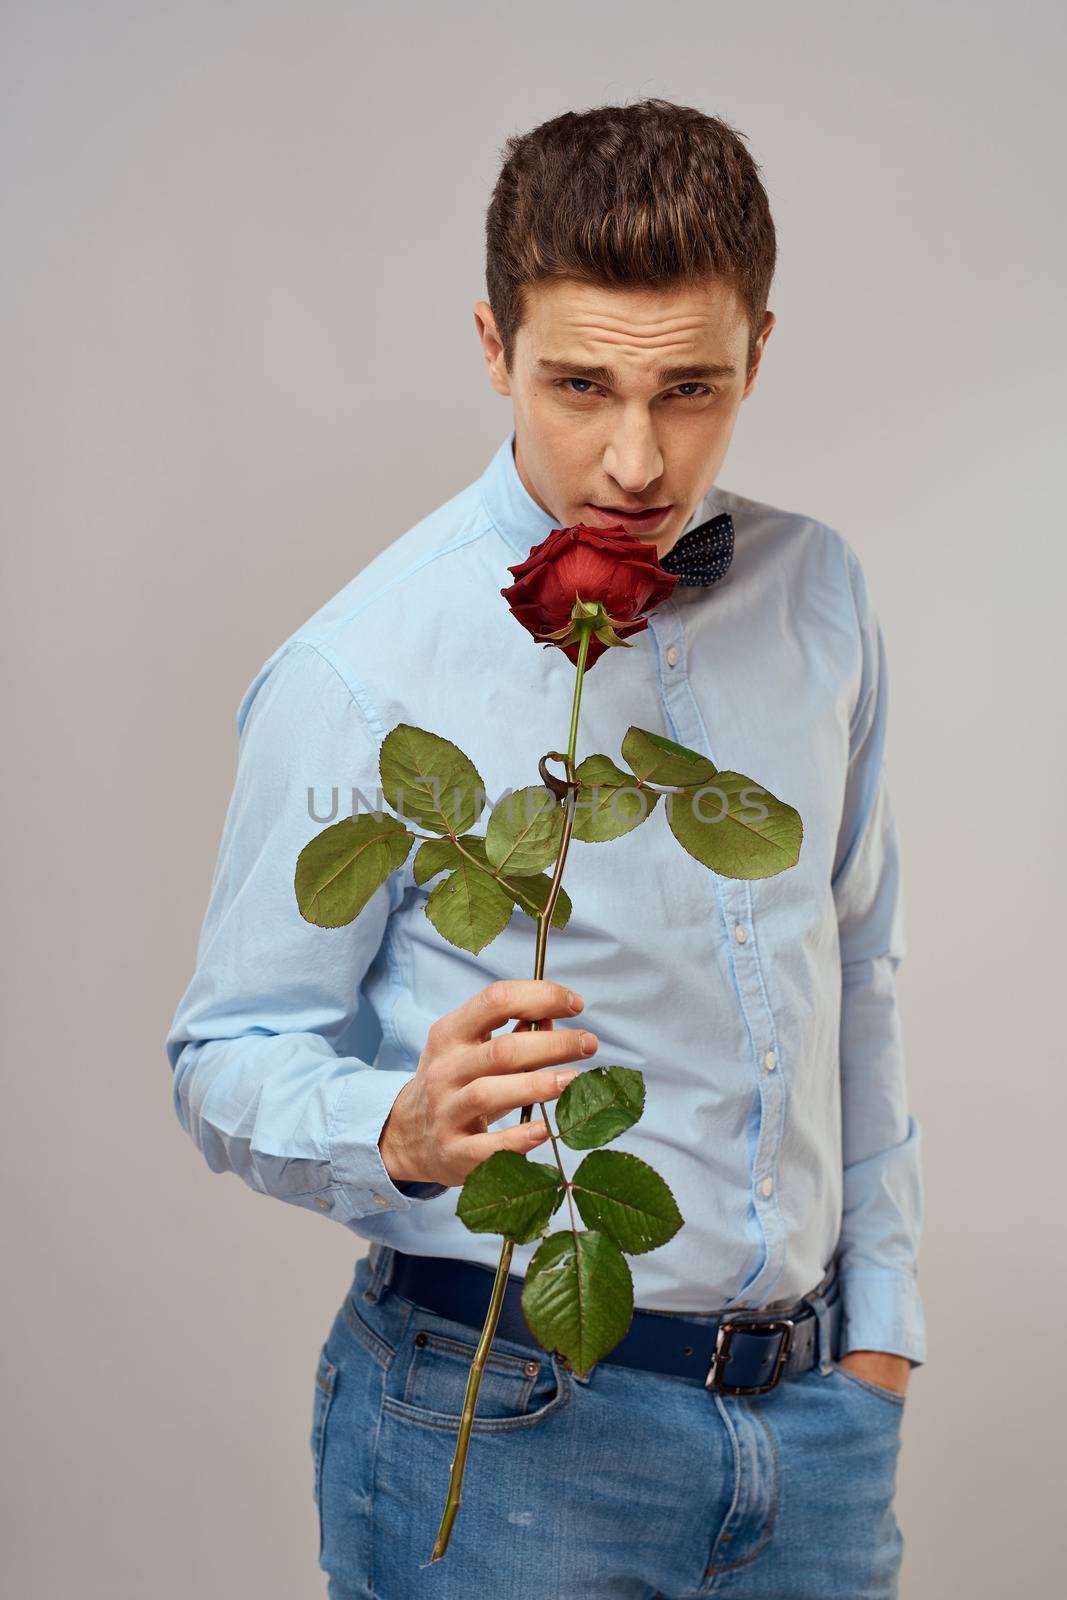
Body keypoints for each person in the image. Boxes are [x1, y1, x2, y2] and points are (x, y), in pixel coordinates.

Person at [165, 97, 926, 1599]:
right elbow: (227, 1050)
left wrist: (884, 1332)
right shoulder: (361, 671)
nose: (636, 459)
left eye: (692, 389)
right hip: (507, 1430)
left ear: (758, 353)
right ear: (493, 344)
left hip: (819, 1441)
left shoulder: (819, 591)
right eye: (580, 384)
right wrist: (394, 1129)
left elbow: (856, 965)